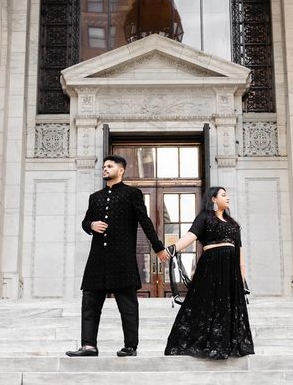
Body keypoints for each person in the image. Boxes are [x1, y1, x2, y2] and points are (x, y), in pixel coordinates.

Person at [66, 154, 169, 358]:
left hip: (123, 258)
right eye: (104, 166)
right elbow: (86, 222)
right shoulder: (95, 197)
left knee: (128, 306)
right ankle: (88, 346)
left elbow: (145, 221)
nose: (105, 168)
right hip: (97, 259)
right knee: (89, 304)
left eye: (109, 166)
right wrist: (91, 225)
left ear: (120, 170)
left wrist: (157, 247)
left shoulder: (132, 194)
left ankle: (130, 346)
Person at [164, 186, 254, 360]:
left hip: (230, 270)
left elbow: (240, 253)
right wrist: (172, 249)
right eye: (223, 195)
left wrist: (242, 279)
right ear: (213, 199)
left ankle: (225, 343)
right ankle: (200, 341)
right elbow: (191, 236)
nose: (227, 198)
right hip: (210, 266)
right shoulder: (205, 217)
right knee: (203, 303)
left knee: (227, 306)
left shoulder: (234, 224)